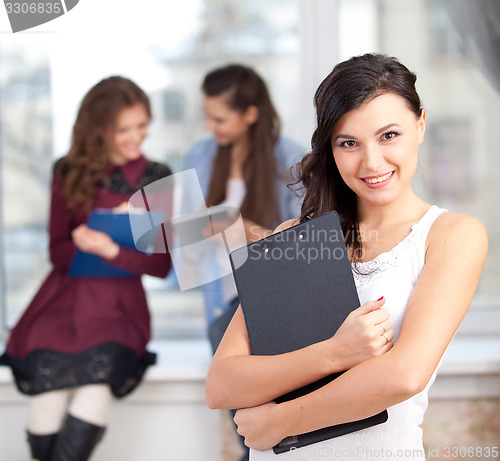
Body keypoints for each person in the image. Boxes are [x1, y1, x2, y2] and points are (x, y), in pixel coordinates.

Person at [205, 53, 488, 461]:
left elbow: (402, 375)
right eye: (349, 143)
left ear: (421, 124)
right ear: (330, 148)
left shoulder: (450, 235)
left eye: (389, 135)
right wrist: (336, 352)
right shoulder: (293, 238)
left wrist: (282, 422)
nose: (372, 162)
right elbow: (222, 384)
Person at [0, 76, 172, 461]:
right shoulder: (67, 170)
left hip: (118, 312)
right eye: (123, 129)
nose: (136, 137)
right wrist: (87, 238)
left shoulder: (156, 176)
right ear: (98, 130)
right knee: (46, 402)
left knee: (95, 389)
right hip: (61, 305)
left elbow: (161, 265)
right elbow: (57, 252)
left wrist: (112, 248)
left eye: (142, 125)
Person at [181, 63, 304, 460]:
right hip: (220, 300)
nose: (210, 126)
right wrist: (193, 237)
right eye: (207, 116)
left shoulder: (292, 158)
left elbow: (302, 248)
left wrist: (237, 226)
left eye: (219, 118)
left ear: (250, 114)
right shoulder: (199, 156)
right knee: (251, 421)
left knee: (261, 417)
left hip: (270, 301)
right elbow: (183, 245)